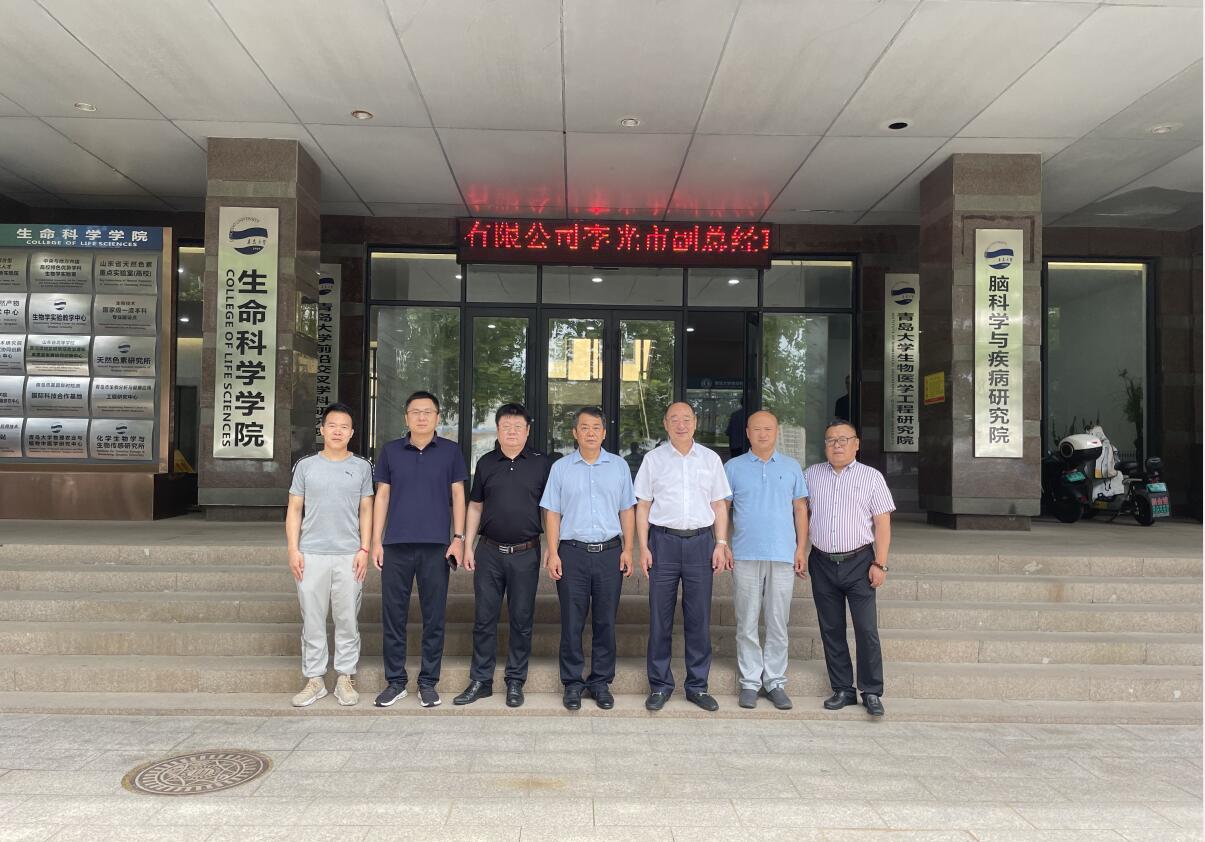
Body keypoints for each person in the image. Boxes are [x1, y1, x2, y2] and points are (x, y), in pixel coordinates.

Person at [371, 390, 468, 709]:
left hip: (437, 547)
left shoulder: (451, 451)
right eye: (416, 411)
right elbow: (382, 496)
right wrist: (375, 540)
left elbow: (458, 495)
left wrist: (458, 537)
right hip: (396, 545)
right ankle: (395, 682)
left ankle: (428, 682)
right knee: (393, 616)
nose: (422, 417)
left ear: (438, 417)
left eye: (428, 412)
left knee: (434, 616)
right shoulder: (391, 451)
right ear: (406, 417)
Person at [635, 402, 732, 712]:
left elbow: (719, 505)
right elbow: (643, 506)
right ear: (665, 424)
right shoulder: (653, 460)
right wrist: (643, 547)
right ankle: (660, 685)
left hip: (701, 543)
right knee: (660, 618)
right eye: (674, 419)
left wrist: (721, 543)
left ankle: (697, 686)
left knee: (699, 617)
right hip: (662, 542)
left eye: (686, 419)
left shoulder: (710, 459)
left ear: (695, 422)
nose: (681, 424)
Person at [454, 404, 551, 709]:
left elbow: (550, 509)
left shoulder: (541, 464)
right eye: (506, 426)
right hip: (489, 551)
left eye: (518, 426)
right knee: (484, 618)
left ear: (527, 430)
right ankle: (480, 680)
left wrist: (552, 547)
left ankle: (515, 681)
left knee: (522, 620)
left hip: (526, 552)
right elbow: (475, 506)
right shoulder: (485, 463)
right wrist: (467, 544)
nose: (512, 431)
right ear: (497, 430)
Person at [540, 407, 635, 711]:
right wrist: (553, 551)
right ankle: (572, 683)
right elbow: (552, 512)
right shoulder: (561, 468)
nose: (590, 432)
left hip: (609, 553)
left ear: (604, 433)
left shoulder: (619, 466)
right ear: (575, 433)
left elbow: (627, 510)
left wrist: (628, 549)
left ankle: (600, 682)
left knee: (605, 621)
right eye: (584, 427)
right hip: (572, 553)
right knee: (572, 621)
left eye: (596, 427)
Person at [285, 402, 374, 707]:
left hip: (349, 555)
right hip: (311, 554)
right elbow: (294, 509)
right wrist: (293, 549)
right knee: (312, 618)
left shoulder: (362, 467)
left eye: (344, 427)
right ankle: (314, 679)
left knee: (347, 618)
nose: (338, 431)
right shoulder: (306, 466)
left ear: (352, 432)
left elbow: (366, 510)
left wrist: (365, 548)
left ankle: (345, 677)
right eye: (332, 425)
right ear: (322, 430)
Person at [804, 420, 895, 717]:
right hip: (822, 561)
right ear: (825, 446)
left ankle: (871, 691)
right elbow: (800, 512)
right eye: (831, 440)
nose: (837, 445)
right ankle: (843, 689)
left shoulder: (872, 477)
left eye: (844, 439)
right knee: (831, 629)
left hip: (860, 563)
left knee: (866, 629)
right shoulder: (811, 475)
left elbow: (882, 523)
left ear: (856, 444)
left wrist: (880, 563)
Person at [724, 410, 808, 710]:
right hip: (745, 554)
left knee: (778, 621)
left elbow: (800, 509)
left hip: (783, 555)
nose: (762, 434)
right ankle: (750, 681)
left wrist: (801, 548)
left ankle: (774, 681)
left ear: (776, 432)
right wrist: (723, 544)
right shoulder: (733, 467)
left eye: (768, 429)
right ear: (747, 433)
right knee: (746, 620)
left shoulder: (792, 467)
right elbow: (723, 509)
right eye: (757, 429)